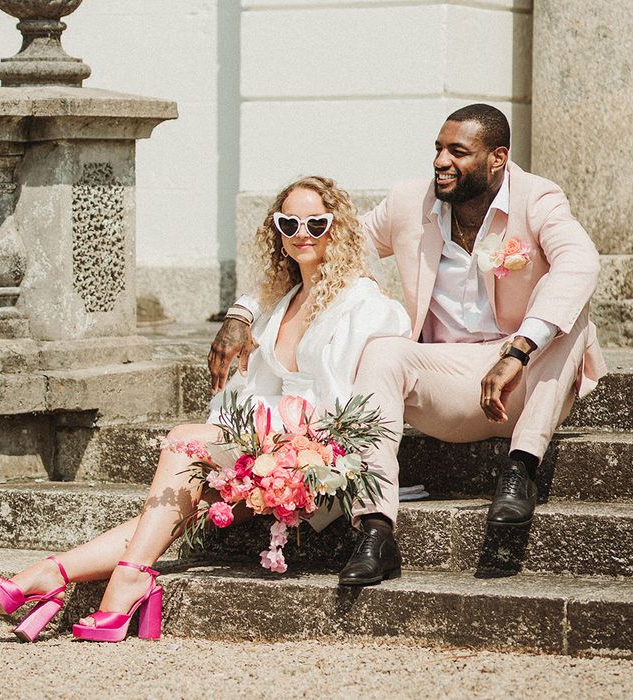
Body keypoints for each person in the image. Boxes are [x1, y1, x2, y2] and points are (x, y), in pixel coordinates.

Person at [0, 176, 410, 643]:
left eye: (316, 222)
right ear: (277, 230)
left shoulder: (363, 303)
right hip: (268, 446)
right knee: (186, 506)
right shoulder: (279, 301)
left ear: (337, 228)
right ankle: (55, 575)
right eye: (289, 222)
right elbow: (255, 375)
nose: (302, 231)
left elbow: (364, 401)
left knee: (185, 438)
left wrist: (295, 451)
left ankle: (83, 580)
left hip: (319, 461)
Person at [210, 104, 606, 587]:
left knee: (573, 317)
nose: (441, 161)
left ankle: (520, 468)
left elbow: (580, 262)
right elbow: (316, 243)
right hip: (446, 382)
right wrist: (241, 313)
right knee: (384, 351)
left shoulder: (539, 200)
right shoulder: (407, 204)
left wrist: (519, 348)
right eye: (438, 149)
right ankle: (376, 531)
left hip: (526, 380)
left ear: (497, 158)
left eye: (457, 152)